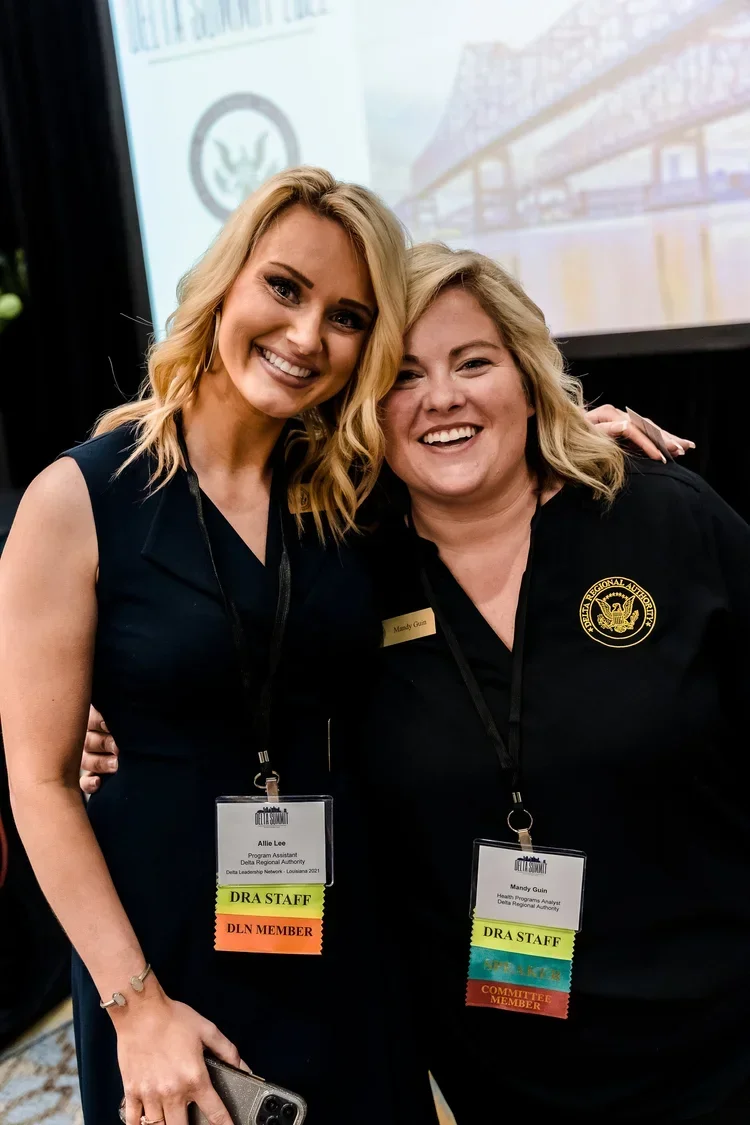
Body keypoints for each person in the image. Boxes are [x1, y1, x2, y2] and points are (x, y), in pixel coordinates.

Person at [0, 166, 425, 1125]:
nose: (307, 335)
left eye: (348, 316)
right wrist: (136, 1008)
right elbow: (40, 782)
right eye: (285, 287)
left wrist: (567, 429)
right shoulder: (80, 499)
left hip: (347, 948)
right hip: (164, 960)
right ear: (225, 280)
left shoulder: (354, 496)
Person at [356, 242, 750, 1123]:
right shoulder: (342, 584)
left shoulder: (661, 517)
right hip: (509, 1078)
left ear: (530, 381)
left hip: (725, 1044)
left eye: (473, 362)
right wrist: (103, 719)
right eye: (402, 375)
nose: (441, 397)